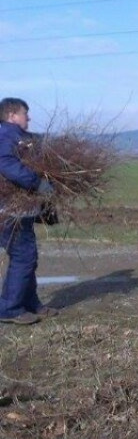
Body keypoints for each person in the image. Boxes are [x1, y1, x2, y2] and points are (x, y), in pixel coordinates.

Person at [0, 97, 58, 325]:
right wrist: (37, 183)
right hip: (8, 211)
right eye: (25, 114)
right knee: (23, 256)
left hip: (18, 211)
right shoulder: (6, 135)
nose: (29, 118)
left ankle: (29, 302)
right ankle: (9, 308)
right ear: (12, 115)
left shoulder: (18, 137)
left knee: (27, 257)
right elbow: (5, 163)